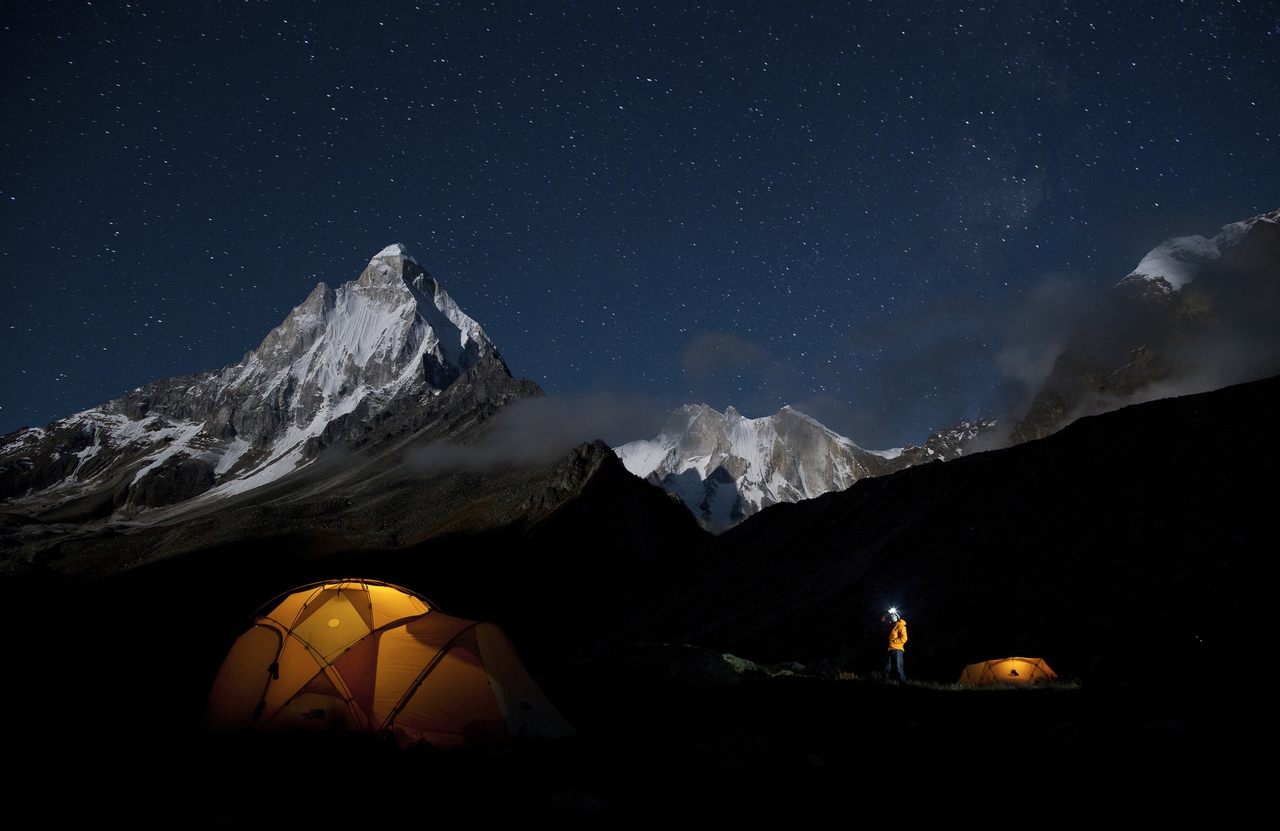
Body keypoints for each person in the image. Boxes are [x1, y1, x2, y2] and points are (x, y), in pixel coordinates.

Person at [883, 609, 907, 681]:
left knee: (898, 667)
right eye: (892, 615)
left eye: (894, 615)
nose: (892, 616)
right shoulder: (891, 625)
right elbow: (882, 619)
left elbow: (904, 638)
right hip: (889, 648)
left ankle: (902, 683)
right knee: (887, 666)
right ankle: (885, 681)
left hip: (897, 649)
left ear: (897, 617)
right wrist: (887, 612)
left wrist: (894, 641)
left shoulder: (901, 626)